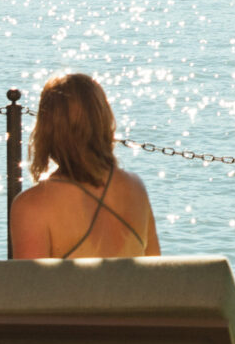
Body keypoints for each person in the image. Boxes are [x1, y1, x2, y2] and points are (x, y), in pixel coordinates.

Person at [10, 72, 162, 259]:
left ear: (46, 130)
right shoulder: (135, 187)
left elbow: (30, 278)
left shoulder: (32, 206)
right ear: (104, 121)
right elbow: (155, 267)